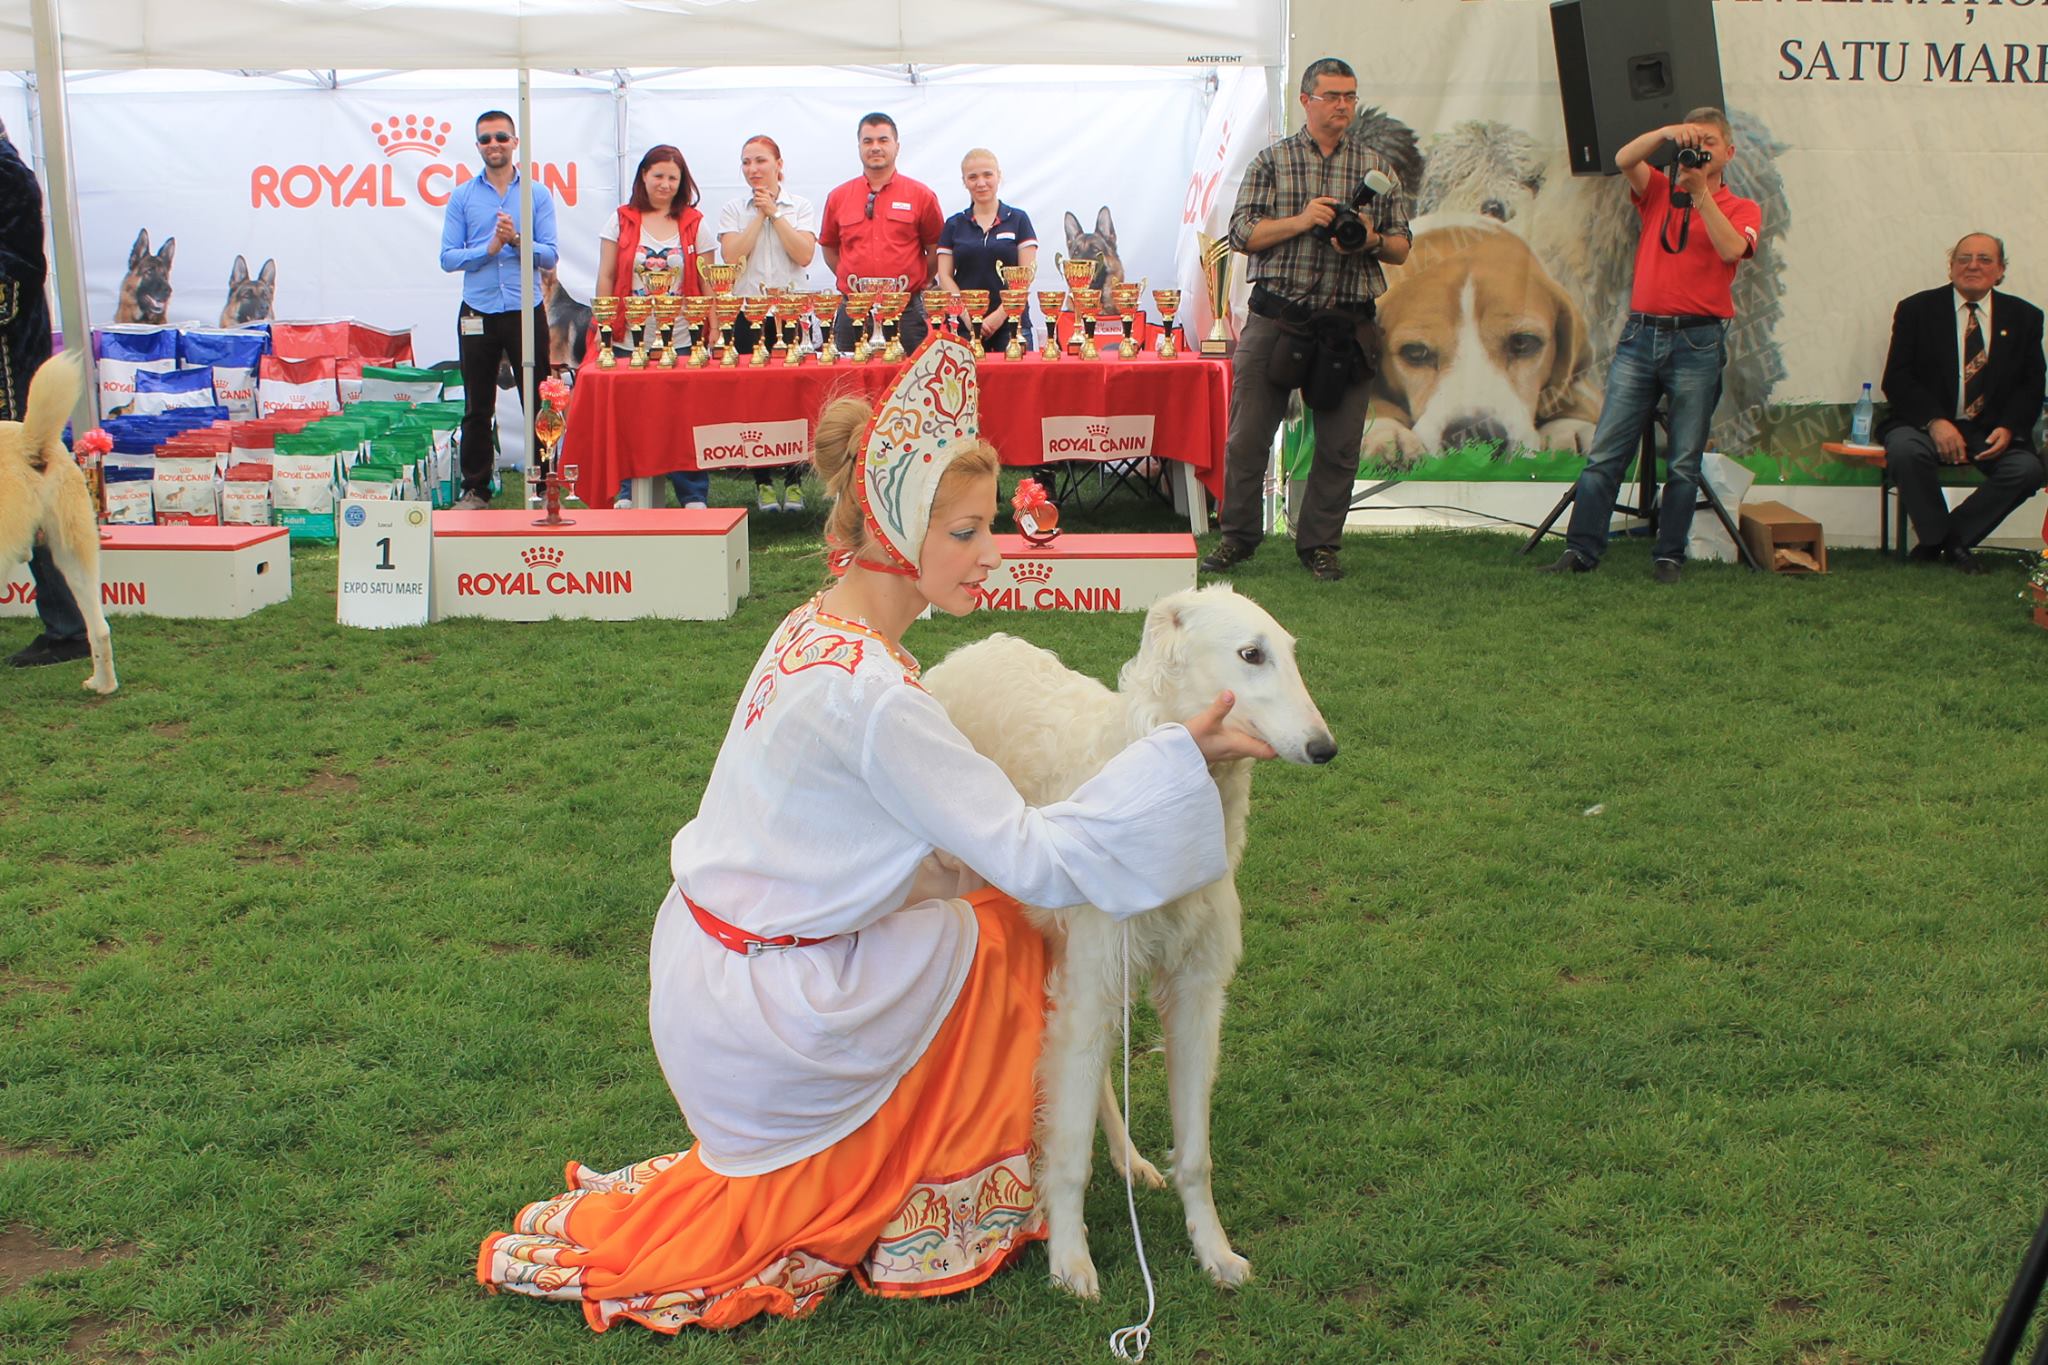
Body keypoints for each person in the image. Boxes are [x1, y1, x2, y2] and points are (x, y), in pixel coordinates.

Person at [477, 332, 1274, 1334]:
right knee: (1005, 935)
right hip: (764, 1017)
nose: (993, 553)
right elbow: (1037, 858)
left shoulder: (816, 626)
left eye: (991, 527)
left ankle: (963, 1170)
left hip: (708, 979)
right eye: (968, 532)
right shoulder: (878, 695)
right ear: (898, 535)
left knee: (979, 903)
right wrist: (1178, 759)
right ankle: (942, 1209)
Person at [1199, 57, 1412, 584]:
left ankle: (1319, 546)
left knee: (1339, 446)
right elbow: (1243, 233)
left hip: (1348, 322)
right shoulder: (1272, 161)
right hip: (1278, 317)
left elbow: (1403, 246)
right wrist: (1303, 220)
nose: (1343, 105)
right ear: (1306, 100)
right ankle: (1238, 538)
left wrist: (1372, 239)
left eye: (1350, 96)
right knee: (1247, 436)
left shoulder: (1376, 167)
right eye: (1333, 96)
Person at [1540, 109, 1761, 584]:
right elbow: (1623, 158)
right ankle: (1582, 550)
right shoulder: (1659, 191)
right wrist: (1664, 134)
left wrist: (1702, 193)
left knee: (1682, 458)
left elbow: (1730, 251)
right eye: (1694, 141)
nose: (1700, 151)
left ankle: (1669, 555)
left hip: (1698, 340)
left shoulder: (1742, 208)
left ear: (1728, 153)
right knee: (1606, 451)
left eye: (1709, 143)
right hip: (1641, 336)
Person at [1874, 233, 2046, 574]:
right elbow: (1897, 378)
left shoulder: (2025, 317)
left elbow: (2032, 384)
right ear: (1951, 268)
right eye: (1963, 258)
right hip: (1924, 425)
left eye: (1984, 259)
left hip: (1989, 428)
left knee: (2026, 470)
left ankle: (1945, 541)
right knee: (1906, 451)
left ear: (2000, 271)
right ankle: (1947, 543)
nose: (1972, 265)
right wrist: (1936, 422)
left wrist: (2009, 427)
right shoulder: (1916, 310)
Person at [439, 109, 559, 512]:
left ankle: (545, 484)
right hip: (478, 310)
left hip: (526, 308)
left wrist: (516, 240)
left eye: (501, 138)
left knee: (540, 399)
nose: (494, 145)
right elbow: (448, 258)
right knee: (477, 403)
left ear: (515, 143)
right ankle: (476, 489)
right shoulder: (463, 196)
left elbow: (550, 254)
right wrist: (488, 249)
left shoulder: (536, 194)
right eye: (486, 139)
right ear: (477, 146)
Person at [1, 117, 87, 672]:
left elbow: (18, 273)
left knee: (32, 493)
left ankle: (68, 627)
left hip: (10, 368)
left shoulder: (8, 176)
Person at [595, 144, 714, 510]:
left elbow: (709, 281)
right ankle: (628, 488)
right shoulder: (619, 220)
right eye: (658, 175)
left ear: (683, 182)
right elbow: (607, 275)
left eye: (673, 178)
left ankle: (692, 492)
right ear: (643, 176)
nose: (665, 184)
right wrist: (603, 326)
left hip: (681, 337)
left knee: (684, 416)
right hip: (629, 339)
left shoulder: (695, 223)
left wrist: (715, 327)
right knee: (630, 417)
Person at [718, 134, 819, 513]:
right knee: (754, 400)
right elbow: (730, 256)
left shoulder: (801, 206)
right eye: (746, 162)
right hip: (748, 315)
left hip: (791, 313)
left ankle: (794, 481)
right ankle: (762, 481)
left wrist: (776, 214)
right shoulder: (733, 208)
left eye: (760, 161)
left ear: (779, 164)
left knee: (793, 399)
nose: (753, 170)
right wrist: (758, 214)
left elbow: (805, 254)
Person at [819, 113, 942, 361]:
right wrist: (855, 281)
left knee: (911, 387)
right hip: (853, 311)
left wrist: (915, 281)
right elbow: (830, 248)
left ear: (896, 146)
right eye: (868, 141)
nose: (875, 147)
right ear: (859, 147)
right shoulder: (838, 197)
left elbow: (935, 248)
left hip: (907, 312)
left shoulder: (920, 195)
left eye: (883, 140)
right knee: (849, 388)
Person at [934, 148, 1038, 356]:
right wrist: (966, 316)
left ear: (999, 176)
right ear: (964, 181)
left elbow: (1025, 276)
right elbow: (944, 275)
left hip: (1012, 323)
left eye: (987, 175)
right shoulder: (954, 224)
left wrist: (998, 317)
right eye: (973, 177)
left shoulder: (1018, 220)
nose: (981, 183)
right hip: (964, 325)